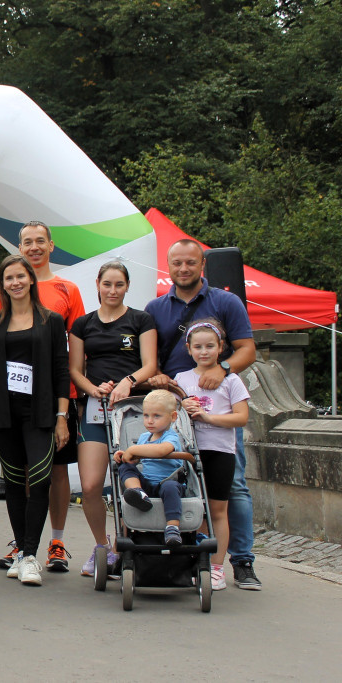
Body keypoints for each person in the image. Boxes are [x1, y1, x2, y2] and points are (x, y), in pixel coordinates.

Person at [144, 238, 260, 590]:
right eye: (177, 263)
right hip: (176, 412)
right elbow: (151, 360)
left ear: (202, 265)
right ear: (168, 266)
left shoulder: (225, 301)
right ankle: (187, 559)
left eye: (190, 262)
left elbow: (248, 349)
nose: (183, 269)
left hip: (218, 410)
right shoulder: (155, 307)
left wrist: (223, 369)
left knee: (232, 487)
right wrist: (158, 378)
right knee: (180, 485)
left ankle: (242, 561)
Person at [0, 255, 69, 586]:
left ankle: (30, 555)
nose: (15, 283)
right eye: (8, 278)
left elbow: (61, 370)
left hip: (40, 413)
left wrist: (61, 417)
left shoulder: (51, 320)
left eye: (20, 276)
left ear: (31, 279)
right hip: (2, 413)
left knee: (40, 480)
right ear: (2, 285)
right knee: (13, 483)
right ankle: (22, 552)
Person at [68, 260, 157, 577]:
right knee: (91, 485)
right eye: (107, 284)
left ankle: (127, 545)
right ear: (98, 285)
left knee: (131, 482)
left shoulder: (141, 319)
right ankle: (101, 547)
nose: (113, 290)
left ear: (127, 286)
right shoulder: (83, 324)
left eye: (119, 284)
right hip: (96, 408)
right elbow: (75, 369)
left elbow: (150, 364)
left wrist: (128, 381)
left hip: (132, 409)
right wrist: (93, 388)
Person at [5, 220, 84, 573]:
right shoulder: (12, 285)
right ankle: (23, 543)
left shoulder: (68, 289)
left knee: (57, 470)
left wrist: (67, 401)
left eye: (40, 241)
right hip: (17, 401)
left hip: (57, 399)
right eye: (27, 242)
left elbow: (73, 350)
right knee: (22, 471)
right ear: (20, 248)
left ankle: (56, 541)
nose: (34, 247)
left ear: (51, 246)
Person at [175, 319, 250, 591]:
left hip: (220, 451)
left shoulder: (231, 380)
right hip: (190, 453)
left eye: (209, 346)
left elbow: (241, 417)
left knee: (218, 510)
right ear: (189, 349)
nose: (203, 352)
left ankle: (217, 568)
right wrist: (181, 406)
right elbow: (170, 416)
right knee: (194, 509)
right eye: (198, 347)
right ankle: (197, 561)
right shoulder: (181, 379)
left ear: (221, 348)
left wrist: (208, 417)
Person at [114, 389, 186, 547]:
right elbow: (137, 459)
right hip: (146, 484)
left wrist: (133, 449)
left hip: (167, 483)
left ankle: (173, 527)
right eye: (146, 416)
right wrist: (125, 456)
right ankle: (137, 492)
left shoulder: (171, 436)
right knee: (125, 466)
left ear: (173, 417)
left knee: (170, 487)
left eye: (156, 416)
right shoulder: (143, 438)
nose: (150, 421)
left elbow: (162, 451)